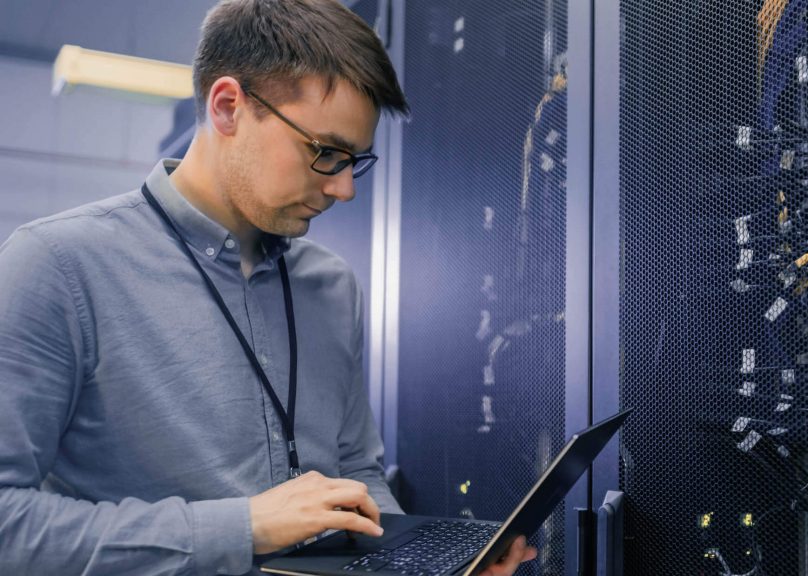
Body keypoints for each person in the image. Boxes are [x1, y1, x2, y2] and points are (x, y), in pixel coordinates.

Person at [0, 1, 537, 574]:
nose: (343, 190)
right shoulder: (56, 266)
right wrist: (242, 528)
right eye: (325, 153)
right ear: (229, 107)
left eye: (353, 161)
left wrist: (422, 565)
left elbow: (356, 472)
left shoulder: (331, 286)